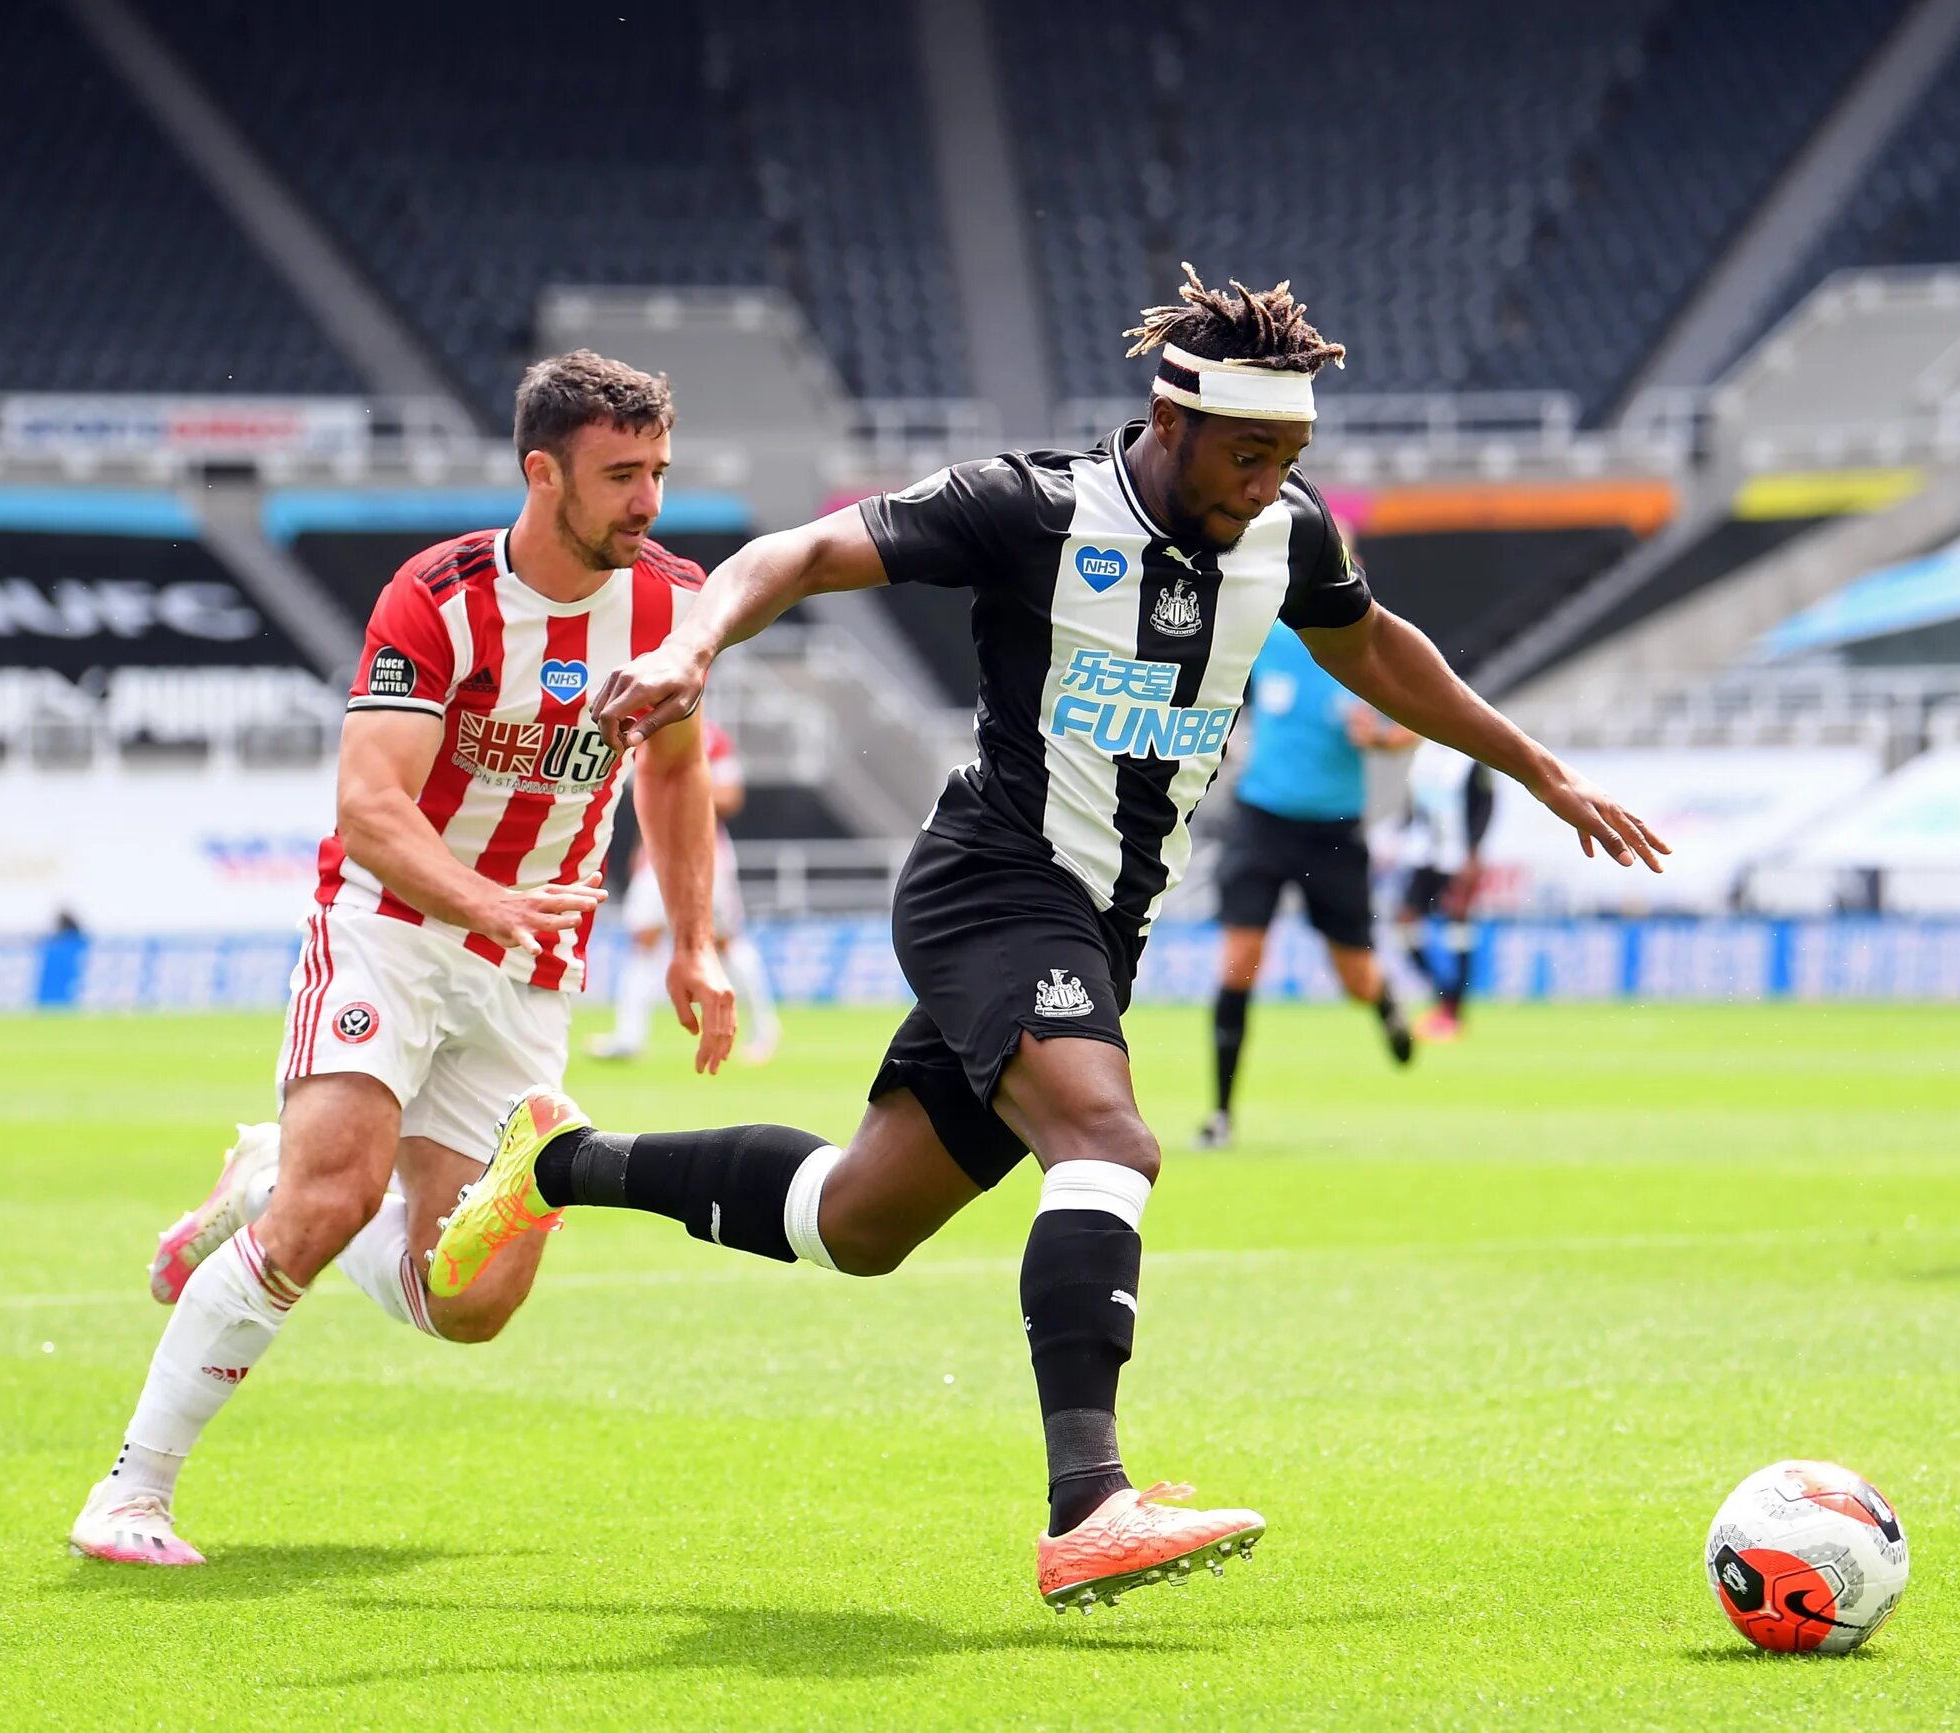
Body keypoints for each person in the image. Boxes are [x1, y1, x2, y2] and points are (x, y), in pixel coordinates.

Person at [427, 267, 1667, 1612]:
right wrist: (694, 646)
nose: (1267, 483)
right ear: (1168, 420)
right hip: (991, 880)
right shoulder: (1031, 507)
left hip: (1100, 924)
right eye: (1246, 455)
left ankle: (556, 1160)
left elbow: (1370, 647)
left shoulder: (1288, 531)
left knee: (856, 1220)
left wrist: (1539, 768)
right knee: (1109, 1140)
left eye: (1289, 457)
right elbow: (803, 552)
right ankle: (1089, 1504)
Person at [69, 352, 735, 1565]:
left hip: (528, 967)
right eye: (619, 475)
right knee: (331, 1199)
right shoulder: (437, 596)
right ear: (542, 473)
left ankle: (263, 1183)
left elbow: (678, 773)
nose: (647, 501)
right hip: (390, 926)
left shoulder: (673, 602)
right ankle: (131, 1491)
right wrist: (489, 899)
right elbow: (370, 806)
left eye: (658, 471)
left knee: (468, 1301)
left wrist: (694, 942)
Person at [1196, 617, 1417, 1150]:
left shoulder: (1365, 638)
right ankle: (1221, 1115)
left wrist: (1380, 738)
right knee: (1240, 959)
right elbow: (1211, 676)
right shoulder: (1266, 632)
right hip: (1261, 819)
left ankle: (1385, 1002)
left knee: (1356, 979)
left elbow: (1417, 719)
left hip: (1334, 831)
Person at [591, 717, 783, 1065]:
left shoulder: (710, 736)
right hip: (656, 855)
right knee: (644, 939)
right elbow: (648, 799)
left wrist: (684, 788)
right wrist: (640, 848)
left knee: (724, 942)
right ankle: (629, 1037)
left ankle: (764, 1029)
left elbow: (730, 796)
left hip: (705, 855)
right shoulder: (645, 732)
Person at [1391, 739, 1496, 1041]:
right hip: (1422, 855)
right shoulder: (1423, 753)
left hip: (1457, 857)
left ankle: (1454, 1011)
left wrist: (1474, 853)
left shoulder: (1470, 758)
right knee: (1405, 924)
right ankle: (1442, 994)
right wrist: (1399, 834)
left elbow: (1484, 806)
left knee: (1457, 929)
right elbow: (1415, 804)